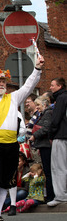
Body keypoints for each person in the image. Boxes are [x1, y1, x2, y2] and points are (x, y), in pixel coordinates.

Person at [0, 49, 44, 221]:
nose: (1, 83)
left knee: (5, 182)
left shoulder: (13, 98)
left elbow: (28, 86)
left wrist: (37, 69)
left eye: (3, 81)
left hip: (10, 144)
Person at [28, 96, 54, 202]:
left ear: (44, 104)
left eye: (38, 105)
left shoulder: (48, 113)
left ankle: (51, 195)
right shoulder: (44, 114)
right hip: (43, 145)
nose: (37, 107)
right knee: (47, 170)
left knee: (48, 171)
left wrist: (34, 136)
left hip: (46, 145)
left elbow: (46, 128)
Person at [47, 77, 67, 207]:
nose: (50, 87)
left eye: (52, 85)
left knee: (58, 166)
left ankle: (60, 195)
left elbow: (56, 118)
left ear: (59, 86)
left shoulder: (61, 98)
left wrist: (51, 134)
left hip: (61, 135)